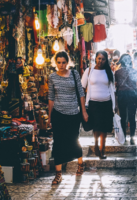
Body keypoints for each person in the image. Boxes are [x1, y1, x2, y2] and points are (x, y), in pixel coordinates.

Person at [48, 51, 88, 184]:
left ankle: (80, 164)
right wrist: (49, 117)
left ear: (68, 62)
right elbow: (51, 98)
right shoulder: (52, 77)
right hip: (58, 114)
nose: (61, 65)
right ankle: (58, 174)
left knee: (73, 140)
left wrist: (83, 111)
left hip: (73, 114)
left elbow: (81, 93)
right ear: (55, 63)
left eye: (63, 62)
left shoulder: (75, 74)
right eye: (58, 62)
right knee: (58, 143)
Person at [81, 51, 116, 159]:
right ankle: (96, 144)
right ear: (95, 58)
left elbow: (113, 90)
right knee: (96, 127)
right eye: (99, 58)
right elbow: (82, 87)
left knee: (104, 128)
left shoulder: (109, 72)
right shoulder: (89, 71)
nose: (100, 61)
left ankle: (102, 150)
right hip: (93, 103)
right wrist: (83, 107)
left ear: (106, 60)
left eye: (103, 59)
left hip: (106, 103)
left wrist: (115, 105)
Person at [115, 54, 137, 145]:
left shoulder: (117, 72)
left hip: (121, 95)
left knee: (123, 117)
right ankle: (132, 138)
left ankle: (124, 137)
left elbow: (116, 85)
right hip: (132, 95)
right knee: (132, 117)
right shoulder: (134, 71)